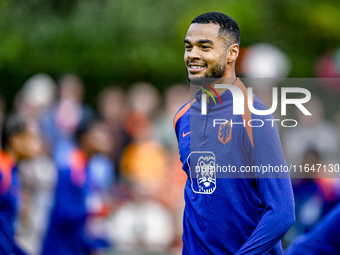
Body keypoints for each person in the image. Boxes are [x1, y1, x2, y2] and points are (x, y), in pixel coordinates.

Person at [174, 12, 295, 254]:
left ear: (232, 53)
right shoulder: (182, 117)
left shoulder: (253, 115)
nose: (192, 55)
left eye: (204, 47)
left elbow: (282, 212)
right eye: (188, 47)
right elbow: (201, 198)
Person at [41, 119, 112, 255]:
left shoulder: (88, 170)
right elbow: (63, 212)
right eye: (100, 133)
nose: (107, 138)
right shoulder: (70, 169)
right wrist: (94, 211)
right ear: (85, 138)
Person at [0, 114, 41, 255]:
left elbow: (6, 231)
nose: (38, 145)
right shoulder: (2, 171)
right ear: (15, 140)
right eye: (32, 137)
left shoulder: (13, 171)